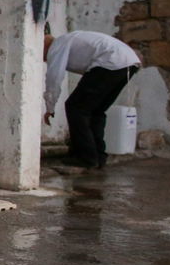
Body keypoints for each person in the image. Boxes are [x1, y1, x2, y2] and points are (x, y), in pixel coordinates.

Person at [43, 31, 141, 169]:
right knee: (96, 110)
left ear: (44, 46)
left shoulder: (56, 46)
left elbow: (54, 77)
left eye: (42, 56)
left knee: (76, 107)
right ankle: (98, 157)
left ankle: (85, 157)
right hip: (128, 62)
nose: (44, 60)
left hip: (110, 61)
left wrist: (50, 107)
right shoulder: (69, 40)